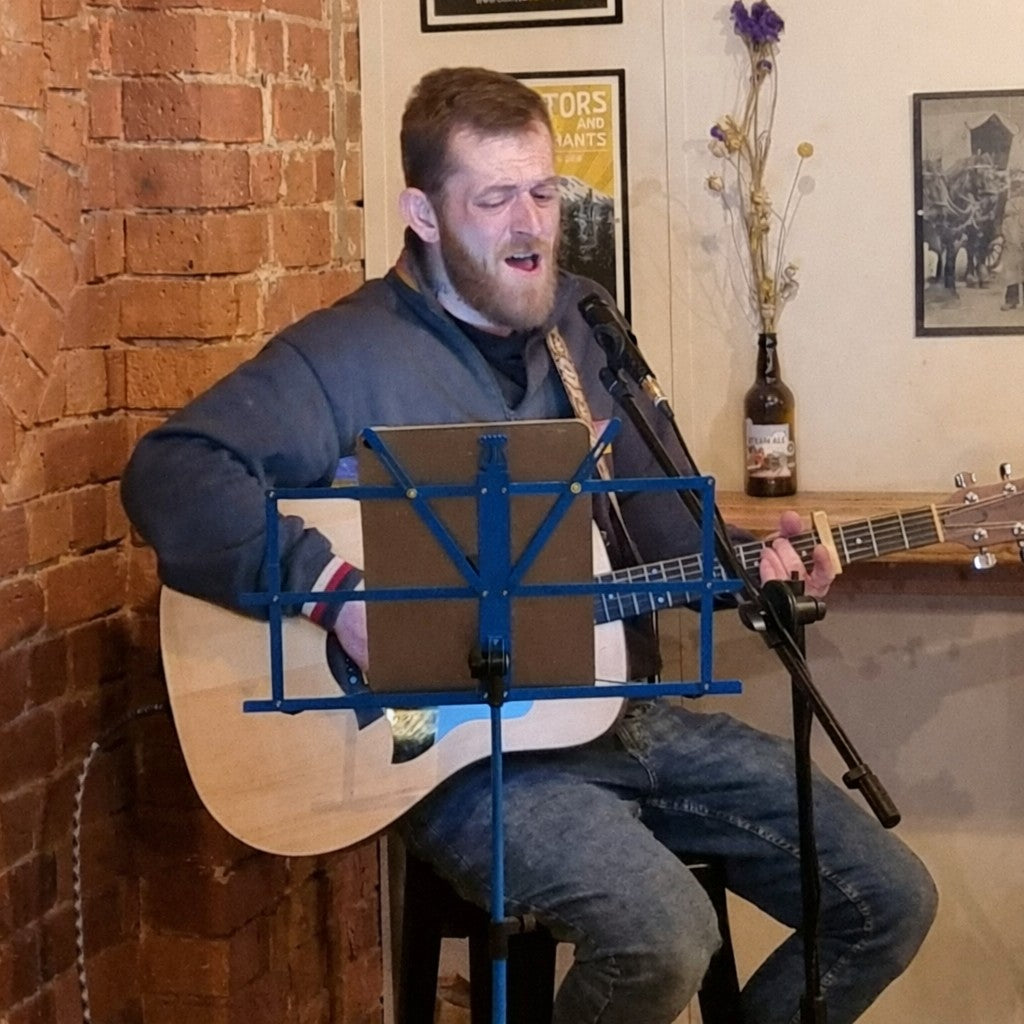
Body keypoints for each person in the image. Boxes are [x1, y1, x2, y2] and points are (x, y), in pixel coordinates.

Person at [122, 66, 936, 1024]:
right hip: (459, 756)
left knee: (889, 900)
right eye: (496, 198)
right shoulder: (345, 356)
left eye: (545, 193)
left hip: (620, 714)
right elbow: (172, 474)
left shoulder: (584, 328)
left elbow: (669, 534)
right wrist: (335, 593)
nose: (531, 225)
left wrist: (761, 569)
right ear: (422, 215)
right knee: (665, 937)